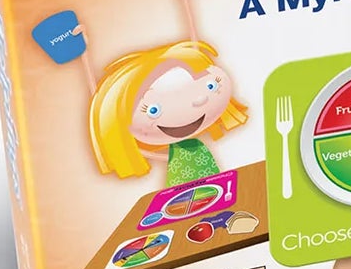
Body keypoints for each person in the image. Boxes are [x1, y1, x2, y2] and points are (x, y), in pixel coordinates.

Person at [87, 40, 248, 183]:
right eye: (153, 110)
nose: (199, 100)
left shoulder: (197, 147)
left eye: (211, 86)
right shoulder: (176, 151)